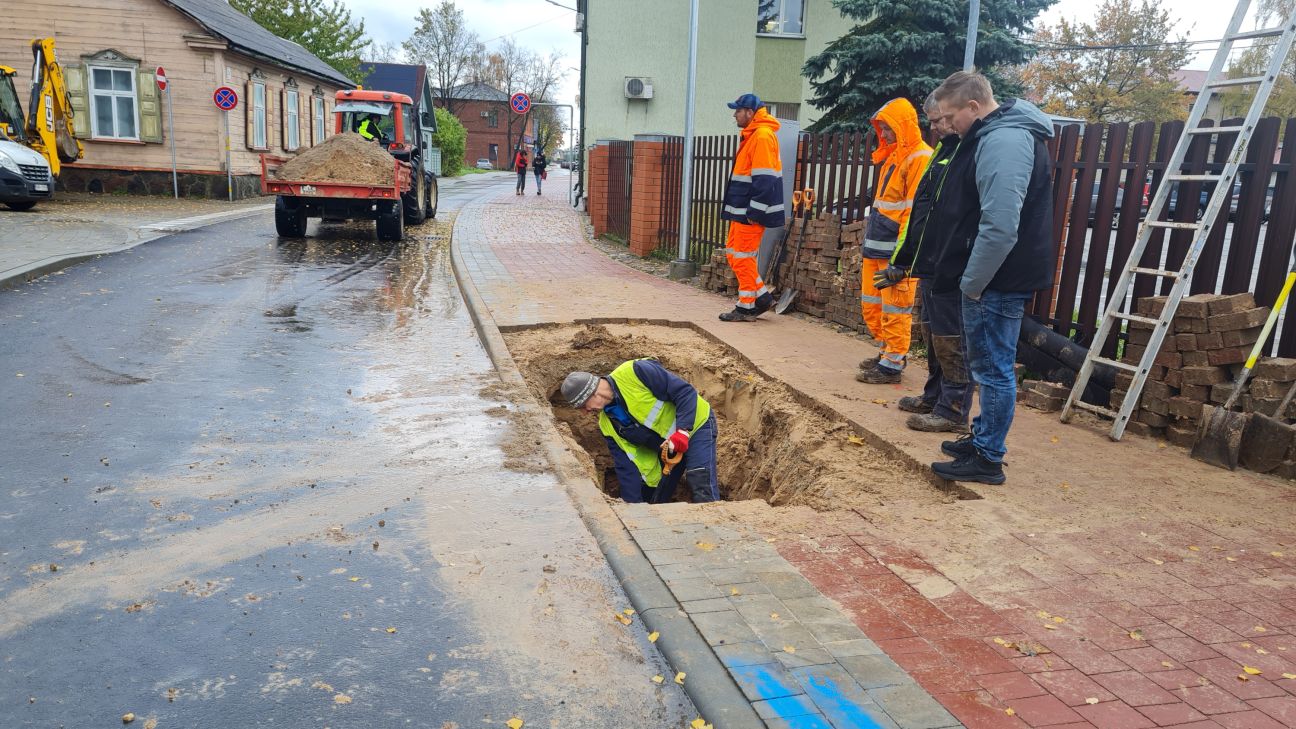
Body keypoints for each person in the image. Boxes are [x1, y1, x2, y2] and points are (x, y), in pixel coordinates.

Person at [926, 70, 1056, 485]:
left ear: (973, 107)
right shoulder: (1001, 134)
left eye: (950, 117)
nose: (946, 126)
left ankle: (987, 457)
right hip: (995, 275)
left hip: (996, 278)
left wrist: (973, 281)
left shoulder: (1003, 141)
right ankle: (983, 438)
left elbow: (1000, 224)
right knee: (988, 365)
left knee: (993, 369)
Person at [877, 94, 973, 433]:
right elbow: (924, 213)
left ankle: (953, 410)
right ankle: (935, 396)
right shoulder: (945, 152)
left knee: (951, 337)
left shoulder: (969, 152)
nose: (932, 127)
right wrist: (904, 260)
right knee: (934, 334)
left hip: (953, 262)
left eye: (938, 120)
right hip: (932, 261)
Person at [561, 360, 718, 504]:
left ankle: (718, 528)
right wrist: (633, 508)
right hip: (669, 447)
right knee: (657, 499)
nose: (584, 412)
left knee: (699, 479)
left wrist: (682, 431)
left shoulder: (635, 372)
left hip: (696, 425)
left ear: (591, 393)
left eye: (582, 406)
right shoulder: (607, 425)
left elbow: (684, 392)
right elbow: (625, 468)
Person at [855, 98, 932, 384]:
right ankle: (888, 351)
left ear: (903, 127)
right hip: (879, 245)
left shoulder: (920, 158)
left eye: (887, 128)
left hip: (896, 253)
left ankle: (893, 363)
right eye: (882, 129)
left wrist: (904, 259)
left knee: (896, 307)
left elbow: (914, 214)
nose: (883, 134)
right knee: (873, 305)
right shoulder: (894, 157)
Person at [718, 93, 784, 322]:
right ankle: (762, 297)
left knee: (743, 256)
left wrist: (754, 213)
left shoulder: (762, 137)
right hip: (743, 210)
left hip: (750, 212)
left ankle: (746, 307)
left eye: (737, 110)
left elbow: (765, 179)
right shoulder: (754, 135)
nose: (734, 114)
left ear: (749, 112)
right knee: (734, 253)